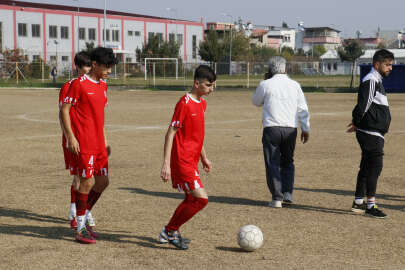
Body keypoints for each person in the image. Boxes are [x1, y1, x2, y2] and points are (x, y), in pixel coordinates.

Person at [61, 47, 118, 244]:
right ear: (95, 64)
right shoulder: (78, 84)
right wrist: (70, 137)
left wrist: (106, 141)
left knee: (103, 182)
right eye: (107, 67)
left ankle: (82, 219)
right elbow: (64, 110)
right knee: (87, 182)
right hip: (83, 142)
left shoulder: (103, 86)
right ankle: (79, 228)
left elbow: (99, 118)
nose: (109, 71)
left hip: (99, 144)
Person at [159, 65, 216, 250]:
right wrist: (166, 164)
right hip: (182, 160)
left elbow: (197, 136)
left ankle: (171, 231)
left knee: (191, 199)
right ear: (196, 83)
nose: (211, 89)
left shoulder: (202, 104)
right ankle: (169, 231)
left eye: (213, 85)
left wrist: (204, 158)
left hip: (192, 160)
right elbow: (171, 133)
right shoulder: (183, 103)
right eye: (208, 85)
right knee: (201, 199)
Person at [252, 56, 310, 208]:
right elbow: (303, 108)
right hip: (291, 128)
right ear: (285, 69)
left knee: (272, 162)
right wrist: (305, 128)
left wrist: (264, 82)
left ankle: (277, 197)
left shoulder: (266, 84)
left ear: (270, 70)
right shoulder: (295, 85)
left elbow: (256, 102)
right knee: (288, 161)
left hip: (272, 128)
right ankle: (288, 193)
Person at [347, 49, 393, 218]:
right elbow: (363, 105)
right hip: (370, 132)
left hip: (372, 131)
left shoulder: (375, 80)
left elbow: (362, 104)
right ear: (377, 64)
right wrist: (357, 123)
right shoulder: (371, 80)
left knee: (367, 166)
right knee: (375, 166)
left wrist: (356, 122)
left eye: (391, 65)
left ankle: (358, 202)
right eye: (387, 65)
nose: (390, 68)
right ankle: (370, 205)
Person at [58, 51, 92, 230]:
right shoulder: (69, 86)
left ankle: (81, 210)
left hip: (89, 139)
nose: (87, 70)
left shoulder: (96, 85)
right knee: (79, 176)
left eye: (90, 66)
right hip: (74, 139)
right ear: (77, 67)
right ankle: (75, 211)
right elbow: (62, 113)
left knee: (87, 176)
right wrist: (68, 137)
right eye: (84, 66)